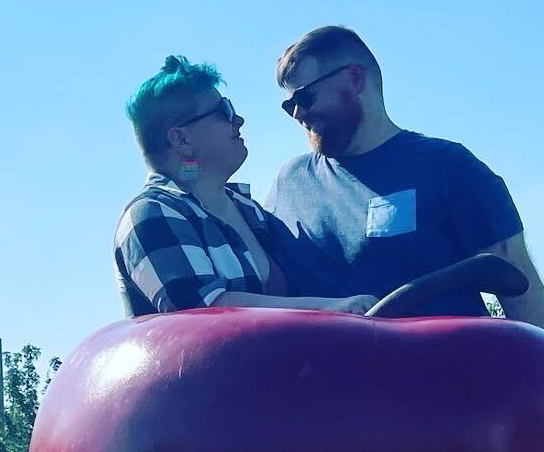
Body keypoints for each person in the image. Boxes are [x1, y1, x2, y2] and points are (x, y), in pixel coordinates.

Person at [265, 25, 544, 332]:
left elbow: (521, 290)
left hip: (447, 360)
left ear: (355, 78)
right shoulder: (289, 184)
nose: (297, 114)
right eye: (288, 105)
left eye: (305, 97)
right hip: (325, 363)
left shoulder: (449, 167)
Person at [115, 56, 374, 317]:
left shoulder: (251, 211)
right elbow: (201, 312)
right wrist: (330, 308)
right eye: (223, 111)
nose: (238, 120)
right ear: (182, 140)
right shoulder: (150, 214)